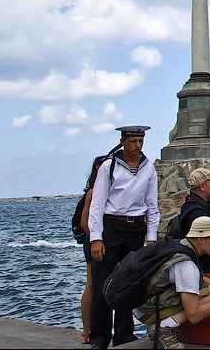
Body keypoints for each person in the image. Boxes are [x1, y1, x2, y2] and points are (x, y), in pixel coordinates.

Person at [88, 125, 160, 349]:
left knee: (128, 282)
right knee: (102, 283)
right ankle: (99, 338)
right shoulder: (109, 167)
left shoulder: (148, 168)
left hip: (136, 227)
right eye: (133, 142)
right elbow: (97, 204)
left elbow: (152, 205)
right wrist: (96, 238)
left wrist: (151, 238)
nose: (137, 146)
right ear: (123, 142)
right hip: (112, 227)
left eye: (140, 141)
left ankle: (124, 333)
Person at [134, 216, 210, 350]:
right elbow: (194, 315)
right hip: (148, 312)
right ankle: (164, 328)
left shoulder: (181, 246)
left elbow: (199, 279)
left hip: (140, 305)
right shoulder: (186, 266)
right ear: (201, 239)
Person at [79, 155, 108, 344]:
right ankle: (87, 330)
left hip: (104, 241)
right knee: (92, 284)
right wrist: (99, 239)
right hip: (94, 242)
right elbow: (84, 223)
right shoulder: (92, 192)